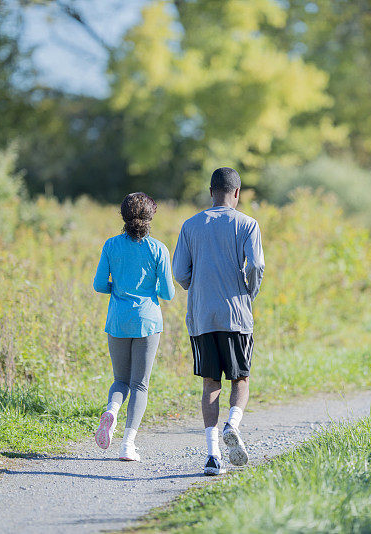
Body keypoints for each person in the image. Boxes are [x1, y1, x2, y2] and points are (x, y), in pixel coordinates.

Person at [172, 167, 265, 476]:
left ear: (210, 191)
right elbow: (256, 265)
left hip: (201, 316)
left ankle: (213, 457)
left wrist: (196, 287)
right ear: (236, 193)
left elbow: (180, 272)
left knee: (210, 383)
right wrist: (247, 292)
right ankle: (233, 424)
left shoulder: (190, 225)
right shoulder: (248, 224)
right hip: (236, 315)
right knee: (241, 379)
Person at [92, 192, 175, 461]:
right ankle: (128, 444)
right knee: (140, 385)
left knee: (120, 380)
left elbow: (99, 285)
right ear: (150, 218)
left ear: (123, 217)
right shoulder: (158, 248)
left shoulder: (111, 245)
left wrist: (117, 287)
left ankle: (112, 411)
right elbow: (168, 294)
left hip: (117, 320)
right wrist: (151, 287)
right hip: (148, 322)